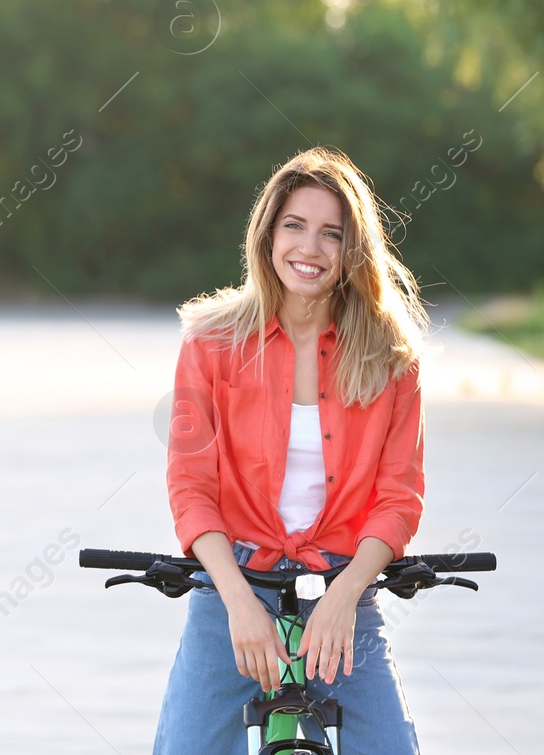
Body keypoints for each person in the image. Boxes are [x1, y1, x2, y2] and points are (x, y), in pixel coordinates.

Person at [153, 146, 432, 754]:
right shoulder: (211, 344)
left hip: (343, 585)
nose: (311, 248)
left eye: (332, 233)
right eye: (295, 226)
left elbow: (399, 497)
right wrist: (235, 603)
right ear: (268, 234)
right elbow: (191, 487)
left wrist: (347, 597)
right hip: (233, 584)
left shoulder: (390, 358)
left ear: (352, 249)